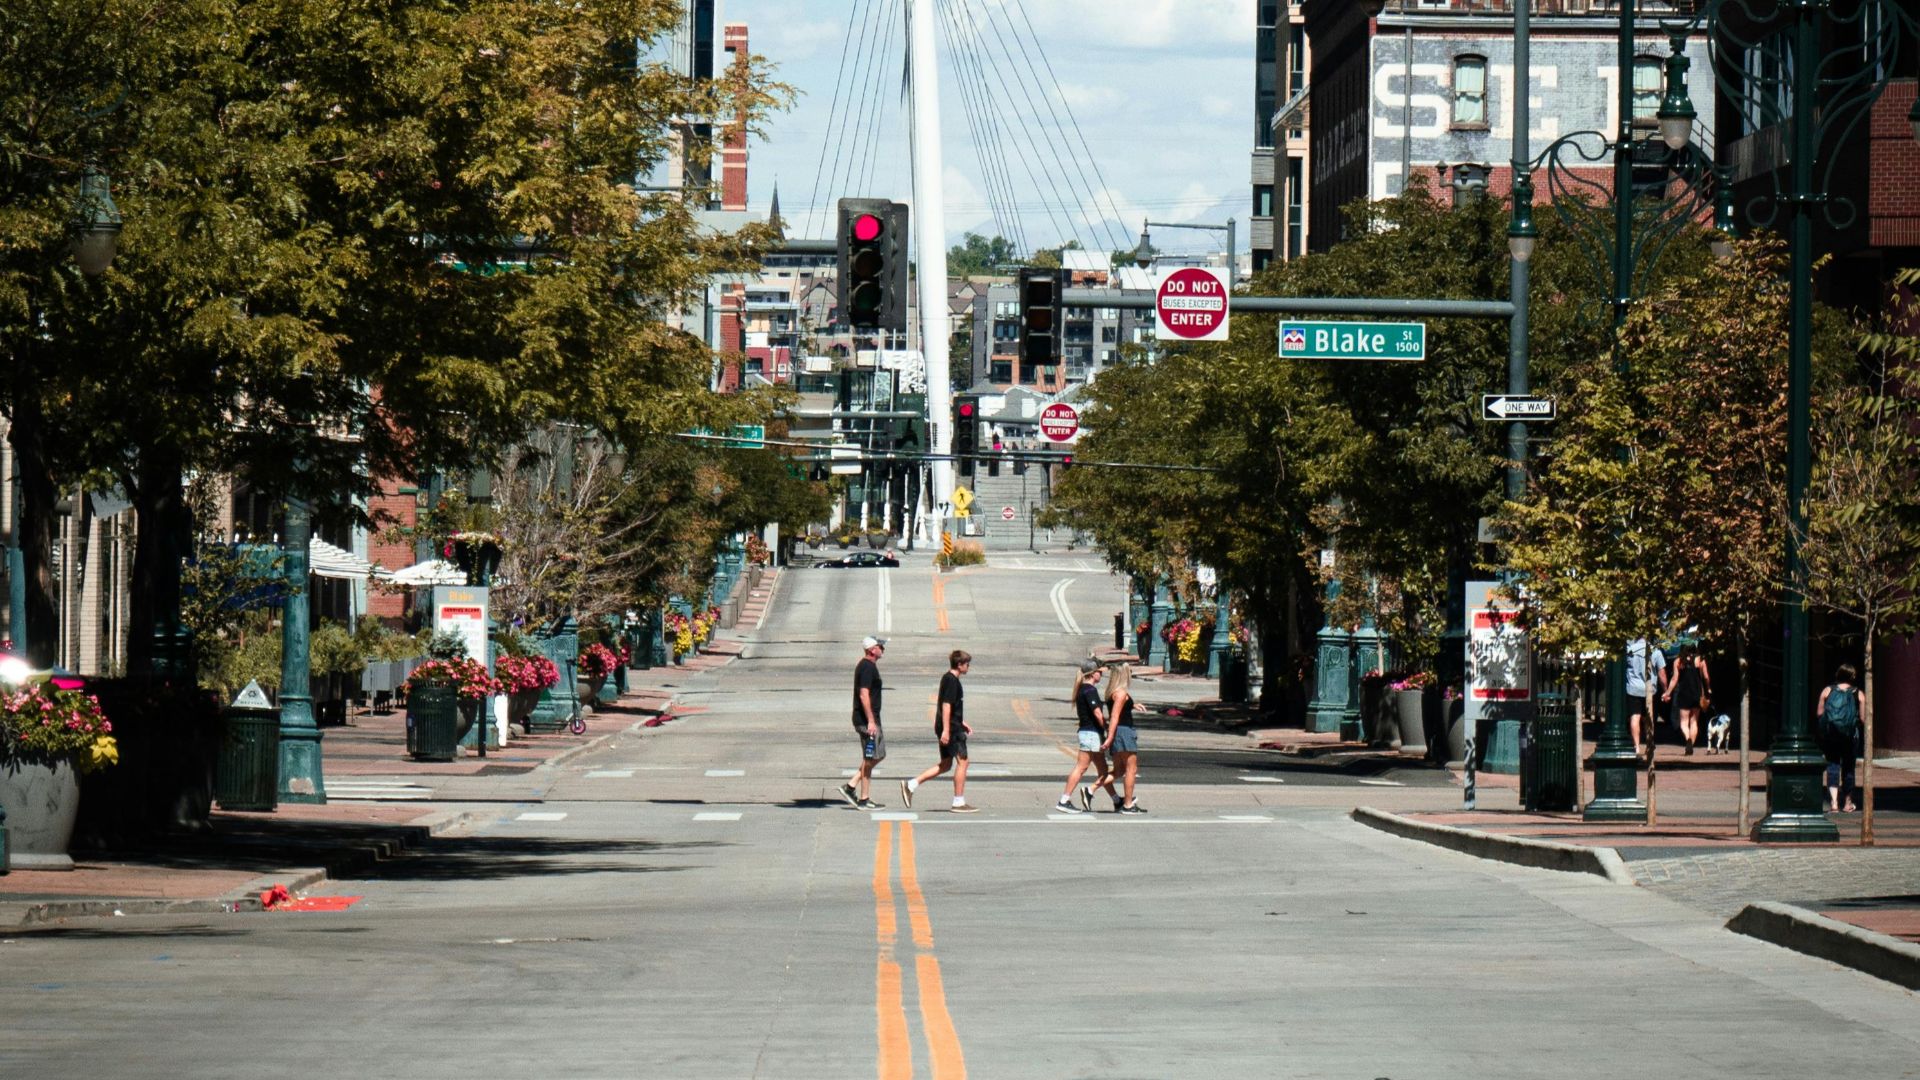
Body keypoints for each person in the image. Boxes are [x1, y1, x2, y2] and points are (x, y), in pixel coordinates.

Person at [902, 650, 977, 813]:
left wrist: (962, 722)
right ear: (959, 664)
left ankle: (911, 785)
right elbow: (946, 705)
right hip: (950, 729)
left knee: (946, 764)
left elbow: (951, 705)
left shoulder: (950, 679)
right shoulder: (951, 681)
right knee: (963, 762)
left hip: (952, 725)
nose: (968, 667)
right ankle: (958, 801)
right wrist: (947, 730)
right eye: (967, 664)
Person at [1056, 658, 1120, 814]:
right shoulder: (1089, 690)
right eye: (1099, 672)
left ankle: (1117, 800)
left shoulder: (1082, 689)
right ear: (1092, 674)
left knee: (1103, 769)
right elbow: (1097, 713)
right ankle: (1064, 800)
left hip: (1091, 733)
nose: (1101, 675)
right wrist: (1106, 726)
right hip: (1090, 733)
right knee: (1081, 767)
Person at [839, 636, 887, 809]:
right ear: (871, 649)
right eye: (880, 646)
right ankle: (856, 791)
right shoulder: (867, 667)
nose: (883, 649)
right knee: (871, 757)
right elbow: (863, 694)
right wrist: (871, 721)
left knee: (875, 756)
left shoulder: (868, 666)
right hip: (867, 721)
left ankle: (857, 791)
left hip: (870, 719)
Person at [1100, 661, 1146, 815]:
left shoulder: (1112, 692)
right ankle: (1127, 804)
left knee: (1119, 770)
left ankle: (1090, 789)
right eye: (1129, 671)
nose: (1130, 674)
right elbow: (1114, 716)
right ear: (1123, 674)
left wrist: (1132, 705)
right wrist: (1110, 737)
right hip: (1124, 732)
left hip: (1119, 731)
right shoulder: (1121, 693)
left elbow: (1118, 708)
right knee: (1131, 769)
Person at [1817, 664, 1864, 813]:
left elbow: (1819, 713)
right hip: (1851, 736)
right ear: (1853, 677)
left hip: (1832, 735)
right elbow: (1863, 718)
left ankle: (1834, 802)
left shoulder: (1827, 690)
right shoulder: (1859, 693)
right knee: (1849, 767)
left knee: (1832, 765)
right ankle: (1847, 803)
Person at [1662, 645, 1711, 755]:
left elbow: (1674, 679)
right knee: (1694, 722)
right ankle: (1691, 745)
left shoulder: (1678, 661)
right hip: (1697, 694)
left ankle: (1688, 739)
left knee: (1684, 722)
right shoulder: (1700, 660)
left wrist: (1667, 693)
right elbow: (1706, 677)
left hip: (1684, 694)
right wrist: (1708, 688)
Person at [1624, 637, 1667, 756]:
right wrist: (1666, 690)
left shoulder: (1630, 650)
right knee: (1649, 718)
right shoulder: (1655, 651)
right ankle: (1649, 744)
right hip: (1650, 690)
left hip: (1633, 688)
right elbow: (1662, 673)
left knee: (1635, 717)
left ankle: (1636, 747)